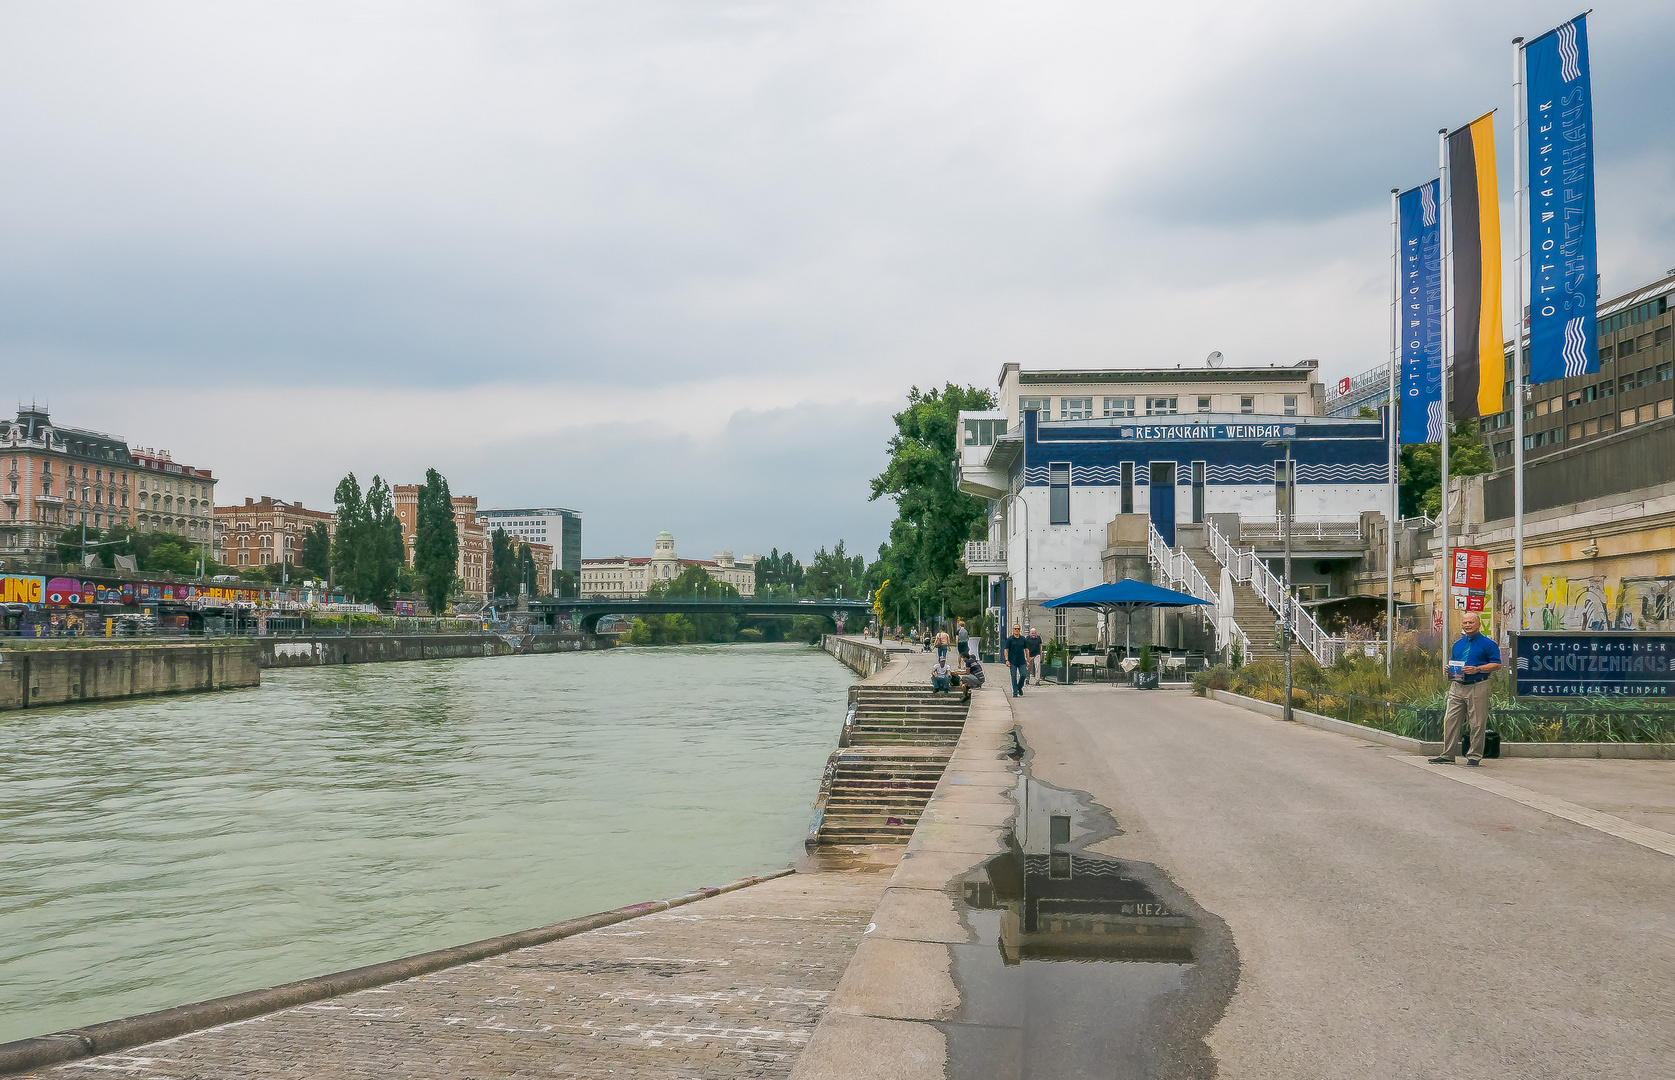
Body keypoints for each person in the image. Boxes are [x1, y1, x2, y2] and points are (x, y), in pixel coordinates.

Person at [1430, 611, 1502, 766]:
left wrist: (1477, 669)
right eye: (1465, 623)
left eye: (1471, 622)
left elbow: (1497, 664)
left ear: (1478, 624)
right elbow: (1456, 662)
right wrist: (1449, 668)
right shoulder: (1458, 644)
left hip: (1477, 685)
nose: (1468, 625)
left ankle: (1474, 756)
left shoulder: (1488, 644)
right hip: (1457, 686)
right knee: (1450, 720)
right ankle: (1447, 754)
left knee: (1477, 722)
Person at [1004, 622, 1029, 697]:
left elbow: (1026, 649)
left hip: (1021, 660)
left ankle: (1019, 687)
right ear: (1013, 630)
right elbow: (1006, 649)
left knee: (1023, 675)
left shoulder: (1023, 639)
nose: (1017, 630)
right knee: (1013, 676)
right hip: (1012, 661)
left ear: (1020, 630)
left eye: (1018, 629)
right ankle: (1015, 691)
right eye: (1015, 629)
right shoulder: (1010, 639)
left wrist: (1028, 660)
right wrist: (1006, 660)